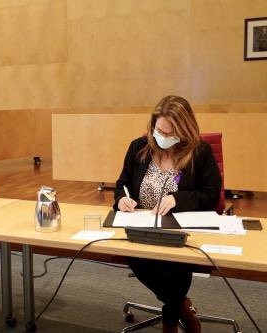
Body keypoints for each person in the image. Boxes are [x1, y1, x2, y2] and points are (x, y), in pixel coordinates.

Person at [113, 95, 221, 333]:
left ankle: (170, 320)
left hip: (179, 229)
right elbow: (121, 183)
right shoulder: (138, 148)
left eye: (169, 133)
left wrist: (177, 199)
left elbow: (211, 194)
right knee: (136, 257)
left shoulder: (199, 152)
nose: (162, 137)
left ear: (184, 130)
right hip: (141, 228)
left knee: (177, 266)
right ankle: (181, 307)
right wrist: (122, 199)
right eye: (158, 130)